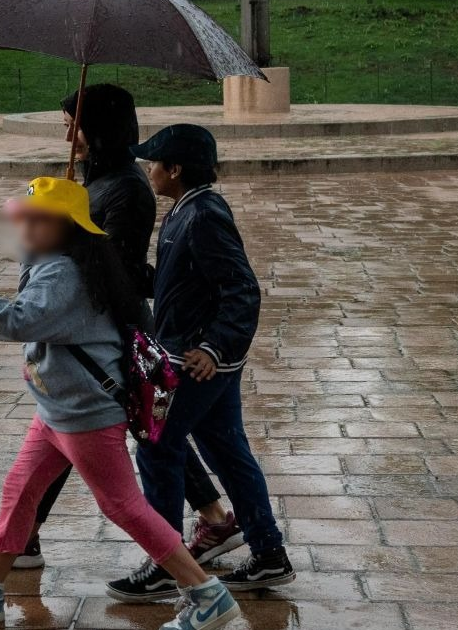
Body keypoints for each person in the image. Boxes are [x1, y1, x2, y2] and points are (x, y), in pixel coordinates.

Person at [0, 177, 240, 630]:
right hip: (57, 412)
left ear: (68, 227)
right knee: (21, 491)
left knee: (124, 507)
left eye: (39, 220)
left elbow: (14, 321)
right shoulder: (62, 263)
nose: (26, 228)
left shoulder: (64, 273)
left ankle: (207, 594)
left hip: (85, 417)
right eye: (22, 218)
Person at [0, 86, 243, 594]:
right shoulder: (94, 179)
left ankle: (202, 579)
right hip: (76, 351)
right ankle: (9, 557)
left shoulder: (129, 190)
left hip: (108, 337)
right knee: (79, 448)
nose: (69, 133)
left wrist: (66, 240)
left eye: (77, 123)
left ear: (103, 128)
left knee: (135, 458)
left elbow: (118, 270)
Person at [110, 124, 295, 596]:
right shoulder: (182, 211)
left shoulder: (204, 215)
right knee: (227, 453)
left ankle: (167, 564)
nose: (147, 170)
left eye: (153, 162)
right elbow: (182, 281)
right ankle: (269, 553)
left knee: (156, 447)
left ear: (174, 169)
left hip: (197, 362)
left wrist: (214, 348)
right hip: (197, 357)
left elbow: (241, 288)